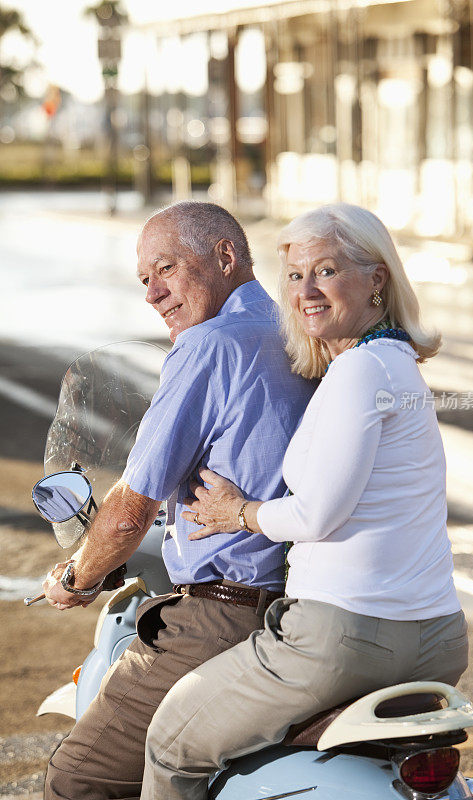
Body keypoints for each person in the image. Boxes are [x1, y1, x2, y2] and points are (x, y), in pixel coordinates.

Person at [139, 203, 469, 800]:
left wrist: (235, 513)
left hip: (346, 635)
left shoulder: (358, 372)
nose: (306, 290)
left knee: (171, 738)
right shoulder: (400, 368)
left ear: (377, 279)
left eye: (326, 271)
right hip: (437, 633)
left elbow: (317, 513)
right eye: (294, 276)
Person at [42, 201, 315, 800]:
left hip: (223, 615)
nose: (153, 295)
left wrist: (76, 576)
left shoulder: (210, 346)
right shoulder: (297, 331)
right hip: (301, 602)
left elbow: (128, 510)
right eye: (144, 280)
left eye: (166, 269)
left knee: (75, 778)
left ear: (224, 257)